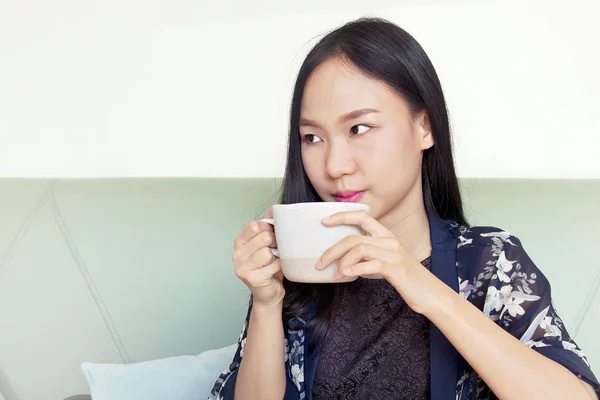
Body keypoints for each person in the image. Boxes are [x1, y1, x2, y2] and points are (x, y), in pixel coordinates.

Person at [209, 17, 599, 400]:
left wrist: (422, 285)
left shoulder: (490, 262)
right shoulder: (299, 268)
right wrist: (266, 303)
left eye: (358, 129)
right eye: (312, 137)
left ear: (424, 128)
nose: (334, 166)